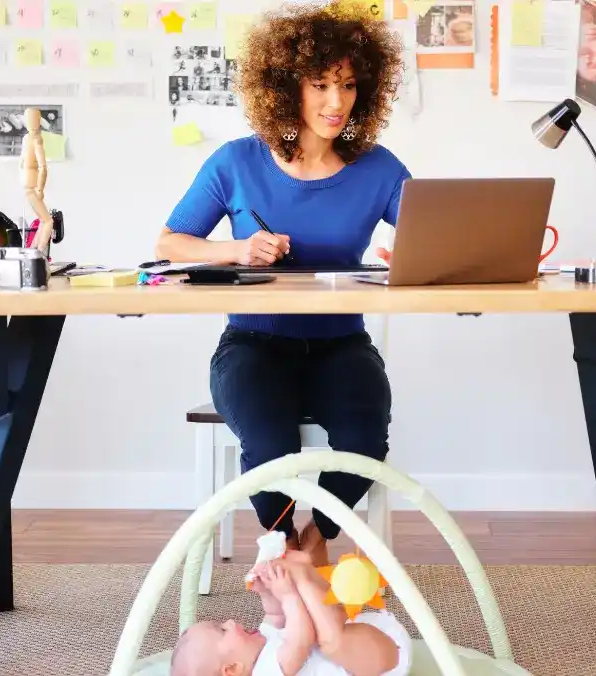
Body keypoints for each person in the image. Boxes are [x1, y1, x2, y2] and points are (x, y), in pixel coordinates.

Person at [154, 1, 409, 568]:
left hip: (341, 345)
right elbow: (170, 244)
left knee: (367, 443)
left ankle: (315, 537)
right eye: (319, 84)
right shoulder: (236, 162)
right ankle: (281, 544)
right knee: (271, 446)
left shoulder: (380, 169)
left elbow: (433, 237)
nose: (336, 101)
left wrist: (407, 255)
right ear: (284, 86)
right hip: (252, 346)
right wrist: (236, 250)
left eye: (347, 84)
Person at [170, 550, 411, 676]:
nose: (231, 621)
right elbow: (301, 638)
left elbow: (276, 617)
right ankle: (304, 571)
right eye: (222, 630)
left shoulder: (260, 646)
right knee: (326, 640)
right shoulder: (266, 673)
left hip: (368, 642)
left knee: (326, 632)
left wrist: (266, 592)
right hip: (382, 664)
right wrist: (287, 594)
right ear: (232, 669)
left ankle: (305, 570)